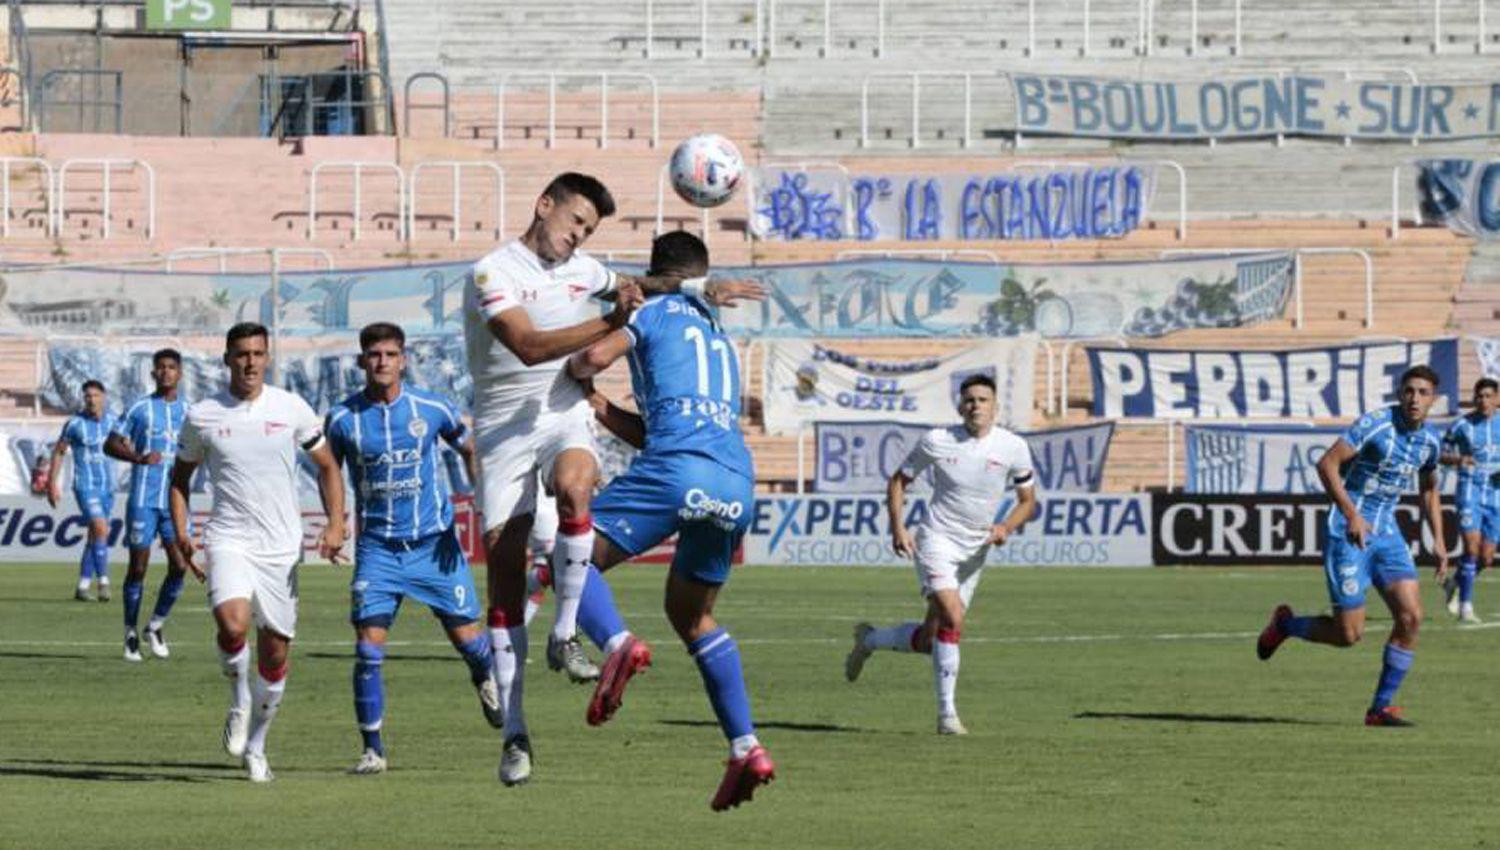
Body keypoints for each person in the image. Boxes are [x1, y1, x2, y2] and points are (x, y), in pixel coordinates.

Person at [463, 171, 761, 785]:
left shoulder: (598, 279)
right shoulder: (493, 271)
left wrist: (674, 296)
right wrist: (633, 313)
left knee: (575, 496)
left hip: (569, 418)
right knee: (510, 580)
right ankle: (517, 731)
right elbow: (528, 345)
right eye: (576, 222)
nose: (579, 236)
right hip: (509, 432)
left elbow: (637, 299)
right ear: (543, 204)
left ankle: (583, 635)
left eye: (589, 230)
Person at [567, 231, 772, 811]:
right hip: (735, 481)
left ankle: (616, 643)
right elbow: (661, 428)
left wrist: (579, 366)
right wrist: (602, 408)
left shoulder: (652, 312)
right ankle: (745, 747)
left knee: (567, 555)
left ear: (655, 272)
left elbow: (590, 359)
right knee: (692, 616)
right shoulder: (717, 336)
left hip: (677, 469)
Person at [169, 322, 347, 782]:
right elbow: (179, 479)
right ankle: (239, 700)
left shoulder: (291, 408)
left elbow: (328, 467)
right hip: (228, 538)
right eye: (241, 354)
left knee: (274, 654)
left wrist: (336, 523)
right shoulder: (203, 415)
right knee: (232, 624)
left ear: (267, 358)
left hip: (281, 548)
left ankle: (257, 745)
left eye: (257, 353)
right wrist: (182, 532)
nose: (249, 362)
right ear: (227, 359)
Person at [325, 322, 503, 775]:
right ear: (362, 361)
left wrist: (485, 500)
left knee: (470, 642)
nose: (382, 362)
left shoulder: (432, 407)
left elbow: (469, 448)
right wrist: (336, 522)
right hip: (378, 550)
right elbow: (330, 472)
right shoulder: (343, 419)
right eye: (374, 355)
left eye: (390, 354)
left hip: (434, 544)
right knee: (368, 648)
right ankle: (373, 750)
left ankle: (484, 674)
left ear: (403, 360)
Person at [843, 374, 1038, 736]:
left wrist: (1005, 527)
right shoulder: (938, 440)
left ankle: (869, 639)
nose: (975, 405)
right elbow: (898, 481)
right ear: (960, 406)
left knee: (931, 640)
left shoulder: (1013, 447)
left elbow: (1028, 501)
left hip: (975, 550)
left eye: (982, 399)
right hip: (937, 540)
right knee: (953, 615)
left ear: (995, 406)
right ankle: (947, 715)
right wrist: (898, 527)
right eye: (969, 400)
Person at [1256, 365, 1446, 727]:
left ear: (1433, 400)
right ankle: (1285, 625)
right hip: (1347, 531)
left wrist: (1438, 540)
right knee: (1348, 635)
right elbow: (1326, 464)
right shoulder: (1376, 424)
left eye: (1423, 393)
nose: (1414, 398)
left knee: (1412, 617)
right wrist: (1352, 514)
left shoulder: (1431, 441)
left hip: (1387, 534)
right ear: (1400, 394)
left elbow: (1429, 488)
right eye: (1409, 391)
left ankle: (1380, 709)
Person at [104, 349, 202, 662]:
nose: (166, 372)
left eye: (171, 367)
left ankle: (156, 625)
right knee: (138, 568)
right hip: (143, 500)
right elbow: (110, 443)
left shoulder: (191, 412)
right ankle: (130, 632)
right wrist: (138, 457)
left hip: (176, 501)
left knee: (180, 565)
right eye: (160, 367)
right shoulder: (140, 408)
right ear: (153, 373)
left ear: (180, 373)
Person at [48, 380, 118, 603]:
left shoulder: (114, 422)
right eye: (87, 396)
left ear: (103, 397)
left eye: (95, 395)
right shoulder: (75, 424)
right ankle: (104, 582)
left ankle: (83, 586)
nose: (91, 400)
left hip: (108, 487)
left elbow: (128, 445)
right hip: (85, 485)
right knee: (100, 528)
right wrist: (52, 483)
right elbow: (59, 452)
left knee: (95, 535)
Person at [1439, 377, 1499, 623]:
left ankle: (1455, 582)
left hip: (1496, 495)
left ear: (1497, 398)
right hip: (1469, 492)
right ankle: (1466, 607)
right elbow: (1439, 453)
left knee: (1486, 557)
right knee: (1471, 547)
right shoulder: (1461, 425)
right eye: (1479, 396)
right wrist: (1458, 460)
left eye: (1488, 396)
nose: (1483, 401)